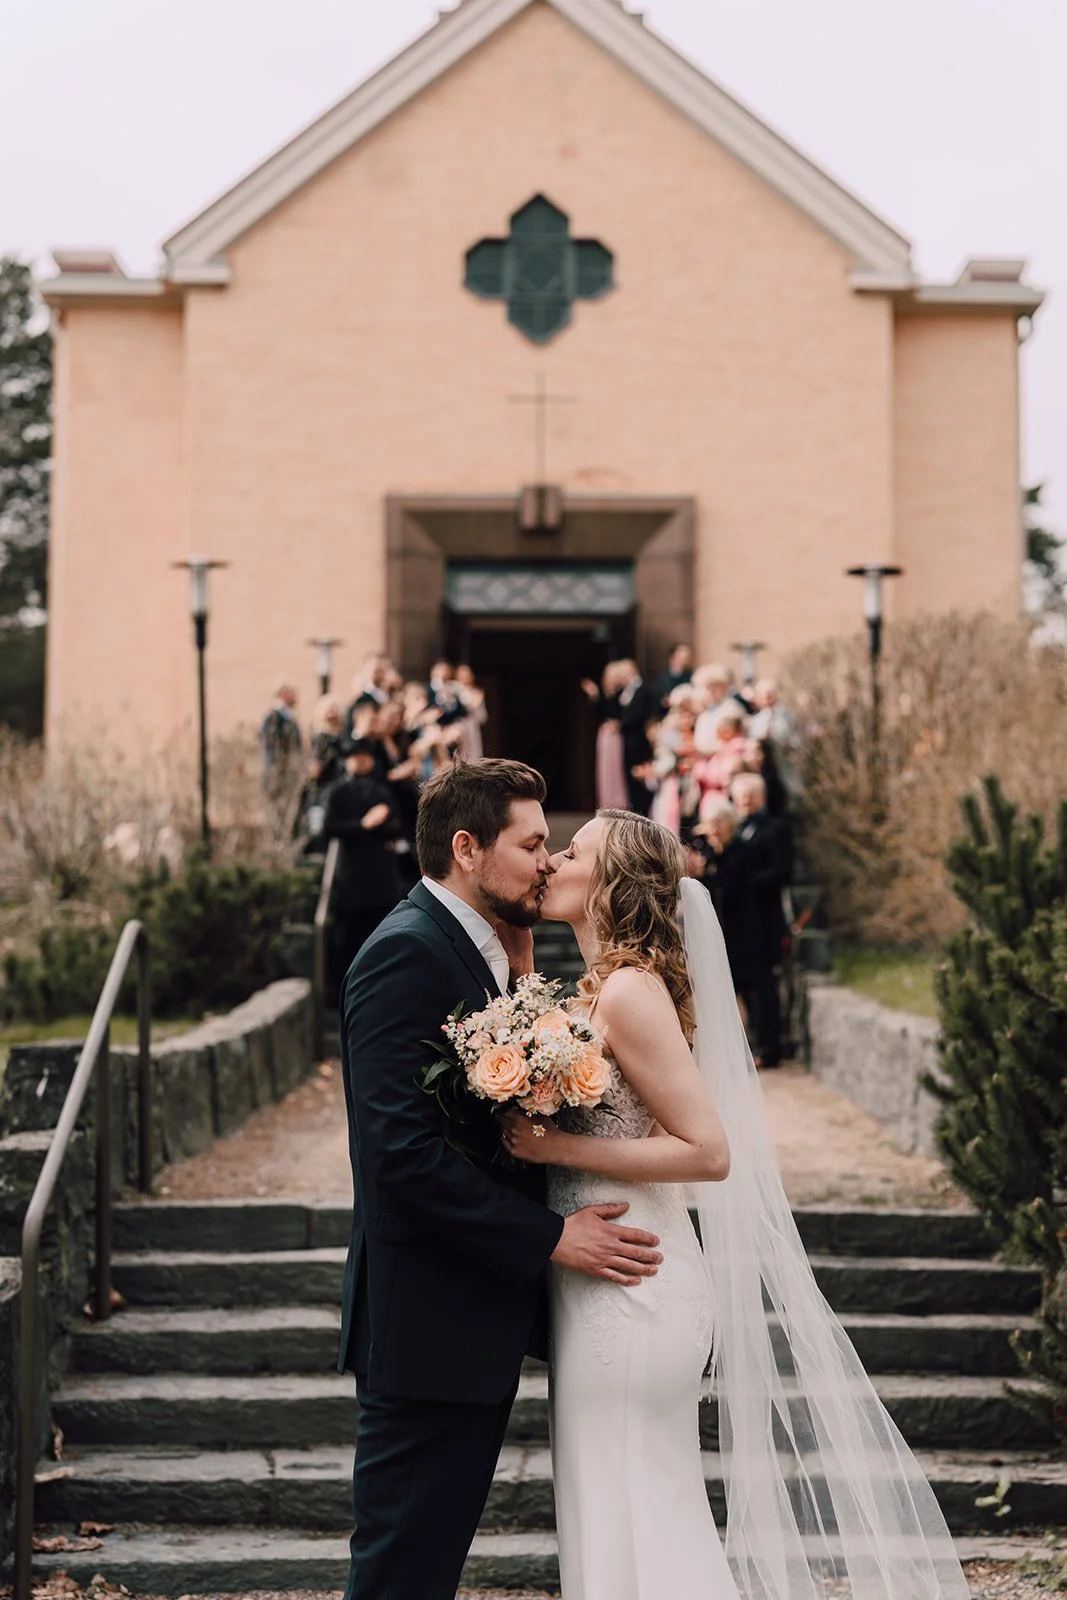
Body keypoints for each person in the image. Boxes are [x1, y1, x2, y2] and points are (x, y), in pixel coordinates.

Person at [503, 808, 969, 1600]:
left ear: (609, 882)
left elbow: (707, 1151)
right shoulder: (600, 991)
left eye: (571, 852)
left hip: (634, 1284)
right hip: (598, 1277)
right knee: (608, 1506)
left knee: (643, 1510)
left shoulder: (629, 992)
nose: (550, 861)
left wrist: (555, 1150)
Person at [337, 760, 663, 1600]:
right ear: (466, 848)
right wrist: (550, 1236)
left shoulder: (479, 946)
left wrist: (517, 978)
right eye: (531, 844)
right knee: (402, 1569)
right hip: (427, 1323)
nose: (547, 861)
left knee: (426, 1563)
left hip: (470, 1314)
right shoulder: (404, 953)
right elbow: (399, 1155)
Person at [323, 738, 404, 983]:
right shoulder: (337, 792)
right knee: (349, 941)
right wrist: (363, 824)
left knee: (382, 934)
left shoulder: (381, 791)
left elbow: (396, 826)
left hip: (380, 877)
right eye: (355, 757)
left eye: (365, 756)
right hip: (351, 877)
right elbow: (329, 827)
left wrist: (380, 823)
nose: (360, 761)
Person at [731, 771, 793, 1069]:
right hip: (743, 924)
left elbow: (783, 870)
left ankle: (770, 1048)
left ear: (760, 797)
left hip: (766, 921)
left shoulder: (776, 828)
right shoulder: (737, 830)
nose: (745, 802)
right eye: (740, 797)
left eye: (750, 796)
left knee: (765, 987)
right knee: (747, 988)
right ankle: (755, 1044)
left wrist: (745, 883)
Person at [582, 660, 629, 810]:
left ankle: (619, 801)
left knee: (616, 767)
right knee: (605, 768)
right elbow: (599, 713)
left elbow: (619, 713)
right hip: (606, 733)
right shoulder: (605, 694)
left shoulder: (622, 694)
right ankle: (607, 800)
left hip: (615, 733)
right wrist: (595, 696)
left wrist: (617, 723)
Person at [260, 682, 302, 791]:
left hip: (286, 767)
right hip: (278, 769)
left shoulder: (288, 716)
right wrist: (276, 764)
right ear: (284, 694)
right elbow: (271, 743)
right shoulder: (274, 716)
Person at [651, 642, 694, 710]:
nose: (684, 660)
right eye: (680, 656)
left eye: (687, 657)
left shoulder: (691, 677)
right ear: (672, 658)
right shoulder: (661, 680)